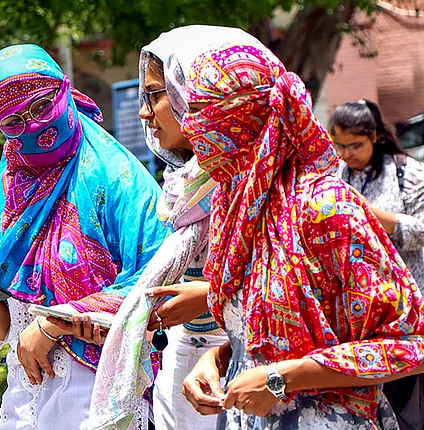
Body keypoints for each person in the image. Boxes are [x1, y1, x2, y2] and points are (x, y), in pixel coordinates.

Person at [164, 26, 424, 429]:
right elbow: (260, 332)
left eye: (201, 111)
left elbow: (410, 345)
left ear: (243, 119)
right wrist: (217, 359)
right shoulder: (236, 210)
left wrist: (280, 380)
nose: (190, 127)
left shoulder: (322, 207)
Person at [0, 44, 171, 429]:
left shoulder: (117, 178)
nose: (34, 126)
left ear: (65, 91)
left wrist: (55, 323)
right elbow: (10, 326)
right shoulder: (11, 188)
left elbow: (156, 283)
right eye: (13, 121)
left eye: (41, 107)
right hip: (25, 398)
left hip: (97, 396)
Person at [89, 29, 251, 430]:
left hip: (251, 369)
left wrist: (212, 297)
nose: (144, 114)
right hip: (184, 362)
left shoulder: (256, 184)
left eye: (154, 95)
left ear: (193, 92)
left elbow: (303, 287)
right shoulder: (181, 184)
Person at [330, 99, 424, 429]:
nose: (347, 154)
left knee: (407, 405)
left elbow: (422, 230)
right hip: (357, 321)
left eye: (355, 145)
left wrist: (370, 215)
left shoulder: (407, 173)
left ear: (374, 136)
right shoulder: (335, 176)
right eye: (340, 146)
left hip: (404, 314)